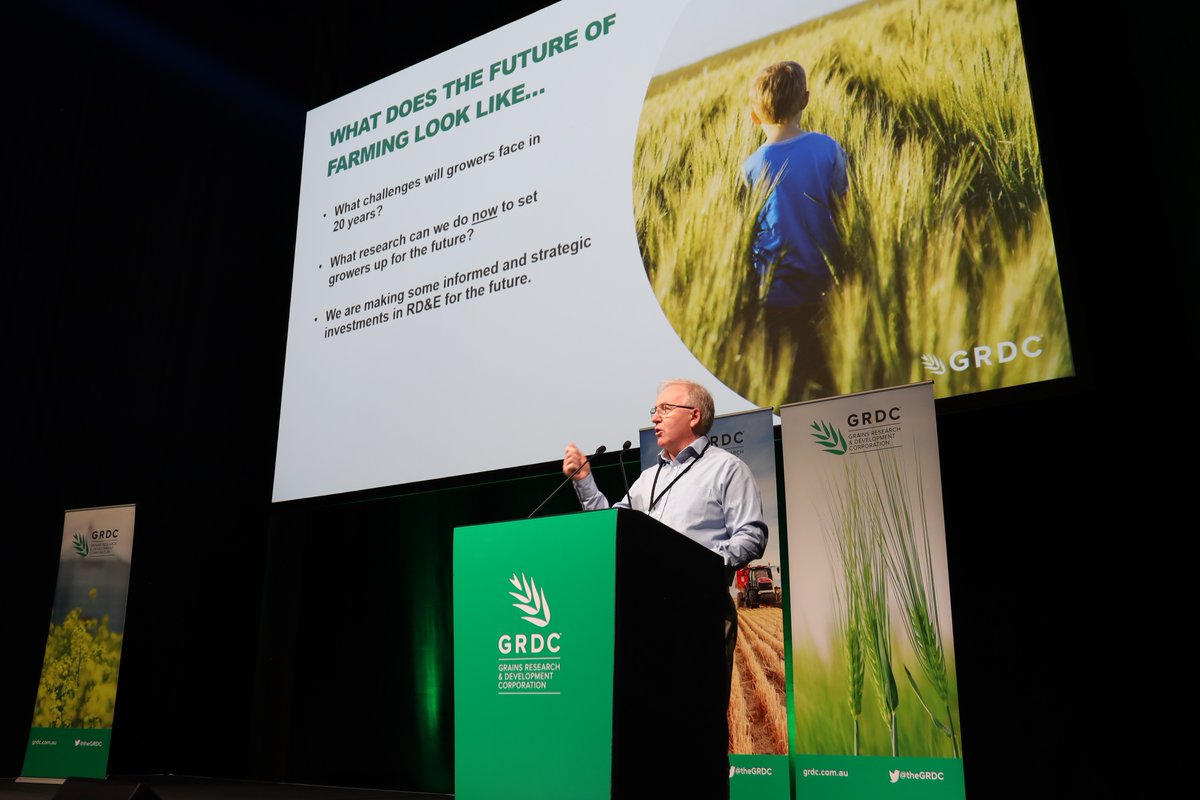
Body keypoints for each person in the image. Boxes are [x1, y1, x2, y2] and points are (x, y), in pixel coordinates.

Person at [562, 379, 767, 702]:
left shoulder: (726, 469)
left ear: (694, 416)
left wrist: (700, 563)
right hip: (647, 615)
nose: (655, 418)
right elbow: (613, 528)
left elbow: (752, 536)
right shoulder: (648, 478)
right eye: (654, 411)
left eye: (665, 409)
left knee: (698, 722)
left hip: (700, 612)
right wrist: (584, 482)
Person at [743, 59, 849, 399]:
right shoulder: (827, 147)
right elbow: (847, 209)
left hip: (776, 291)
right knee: (834, 367)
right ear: (805, 100)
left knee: (796, 377)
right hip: (827, 281)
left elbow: (751, 227)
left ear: (753, 116)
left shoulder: (751, 166)